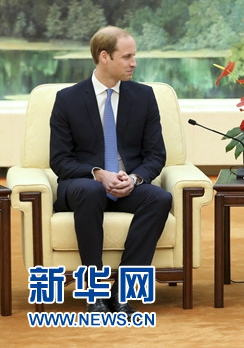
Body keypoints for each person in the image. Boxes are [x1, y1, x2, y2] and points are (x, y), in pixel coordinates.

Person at [50, 26, 172, 318]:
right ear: (104, 57)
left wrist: (134, 178)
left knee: (159, 199)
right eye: (127, 56)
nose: (134, 63)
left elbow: (156, 155)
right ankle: (94, 291)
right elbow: (59, 160)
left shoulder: (144, 97)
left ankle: (124, 292)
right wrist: (97, 173)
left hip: (125, 183)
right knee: (92, 191)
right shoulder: (67, 99)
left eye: (135, 56)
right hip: (82, 185)